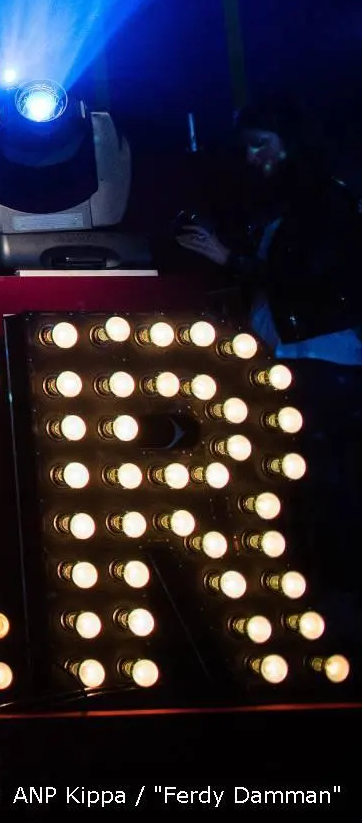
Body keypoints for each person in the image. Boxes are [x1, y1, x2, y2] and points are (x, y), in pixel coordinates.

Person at [176, 95, 362, 617]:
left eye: (263, 146)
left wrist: (230, 259)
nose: (254, 158)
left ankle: (335, 585)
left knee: (320, 475)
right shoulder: (285, 206)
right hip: (290, 350)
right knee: (294, 472)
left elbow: (318, 278)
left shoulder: (326, 201)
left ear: (292, 145)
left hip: (320, 356)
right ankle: (312, 576)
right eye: (248, 149)